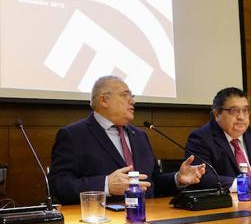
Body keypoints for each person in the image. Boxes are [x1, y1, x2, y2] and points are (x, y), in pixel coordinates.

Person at [48, 75, 206, 205]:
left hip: (150, 220)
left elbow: (152, 182)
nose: (133, 101)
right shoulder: (74, 135)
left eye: (132, 96)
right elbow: (60, 186)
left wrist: (177, 178)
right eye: (125, 95)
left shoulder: (140, 136)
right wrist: (106, 185)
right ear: (104, 100)